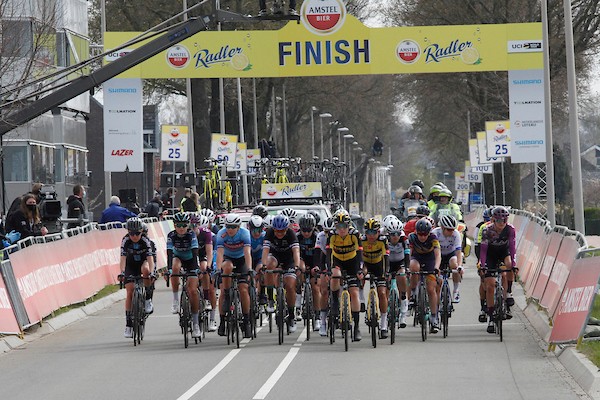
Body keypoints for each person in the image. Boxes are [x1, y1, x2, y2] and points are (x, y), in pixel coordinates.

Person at [479, 206, 517, 334]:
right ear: (493, 220)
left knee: (509, 265)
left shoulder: (510, 229)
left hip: (503, 252)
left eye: (504, 221)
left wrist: (514, 263)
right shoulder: (487, 230)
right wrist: (482, 265)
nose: (502, 224)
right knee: (490, 286)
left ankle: (508, 294)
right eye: (499, 221)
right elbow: (483, 250)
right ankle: (490, 316)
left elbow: (512, 247)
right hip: (490, 254)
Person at [326, 212, 363, 341]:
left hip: (352, 262)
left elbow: (359, 253)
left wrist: (359, 269)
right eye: (338, 226)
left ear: (349, 226)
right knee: (335, 275)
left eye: (344, 226)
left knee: (354, 292)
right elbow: (329, 252)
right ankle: (335, 303)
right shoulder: (332, 235)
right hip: (338, 262)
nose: (341, 229)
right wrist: (329, 268)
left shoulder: (355, 234)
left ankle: (357, 327)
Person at [262, 214, 301, 333]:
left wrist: (297, 266)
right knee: (269, 266)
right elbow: (265, 251)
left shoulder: (291, 234)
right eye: (277, 231)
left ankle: (291, 316)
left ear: (286, 229)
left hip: (289, 259)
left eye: (282, 231)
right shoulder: (269, 233)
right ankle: (270, 299)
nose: (279, 234)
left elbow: (296, 252)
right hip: (275, 257)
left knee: (289, 286)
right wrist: (263, 265)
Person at [216, 213, 253, 338]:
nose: (230, 230)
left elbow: (247, 253)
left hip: (241, 259)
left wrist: (249, 269)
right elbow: (220, 253)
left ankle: (247, 321)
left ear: (238, 227)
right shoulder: (221, 234)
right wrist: (217, 269)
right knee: (226, 269)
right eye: (228, 227)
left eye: (233, 227)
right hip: (228, 258)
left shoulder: (245, 233)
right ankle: (222, 320)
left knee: (243, 289)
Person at [167, 212, 202, 338]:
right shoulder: (171, 235)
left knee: (192, 290)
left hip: (191, 259)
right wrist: (169, 269)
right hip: (178, 258)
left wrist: (196, 269)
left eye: (184, 225)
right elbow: (169, 253)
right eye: (178, 225)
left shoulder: (191, 234)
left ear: (188, 225)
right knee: (175, 267)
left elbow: (195, 252)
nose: (181, 228)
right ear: (174, 225)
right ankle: (176, 300)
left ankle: (196, 323)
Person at [119, 217, 155, 338]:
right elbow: (122, 259)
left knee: (146, 270)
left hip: (142, 263)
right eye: (131, 233)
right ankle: (128, 324)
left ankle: (148, 299)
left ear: (141, 232)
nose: (134, 236)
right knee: (129, 291)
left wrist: (152, 272)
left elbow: (150, 259)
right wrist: (122, 272)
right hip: (130, 265)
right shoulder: (125, 240)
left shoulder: (145, 241)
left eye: (137, 233)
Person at [408, 218, 441, 333]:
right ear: (416, 232)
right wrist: (408, 268)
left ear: (429, 233)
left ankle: (434, 317)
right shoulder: (412, 237)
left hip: (430, 260)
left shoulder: (433, 238)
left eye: (425, 234)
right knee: (413, 267)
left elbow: (438, 255)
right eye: (420, 234)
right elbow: (409, 254)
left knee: (431, 289)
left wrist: (436, 267)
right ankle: (413, 292)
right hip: (416, 258)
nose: (422, 237)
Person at [361, 218, 390, 338]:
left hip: (379, 265)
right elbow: (358, 257)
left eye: (374, 233)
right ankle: (361, 298)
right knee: (361, 273)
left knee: (382, 293)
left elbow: (386, 258)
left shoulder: (383, 241)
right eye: (368, 233)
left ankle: (383, 323)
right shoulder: (361, 240)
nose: (371, 236)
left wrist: (386, 272)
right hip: (366, 264)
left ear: (379, 232)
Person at [191, 213, 217, 332]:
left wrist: (210, 267)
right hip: (191, 257)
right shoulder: (186, 234)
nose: (194, 229)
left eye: (196, 227)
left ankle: (212, 319)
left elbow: (211, 253)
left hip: (205, 256)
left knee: (211, 288)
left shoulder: (210, 235)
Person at [383, 217, 410, 328]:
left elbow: (407, 255)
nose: (395, 236)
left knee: (402, 276)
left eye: (397, 234)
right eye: (393, 234)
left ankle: (403, 307)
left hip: (400, 262)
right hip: (388, 263)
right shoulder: (384, 239)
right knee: (386, 287)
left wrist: (408, 268)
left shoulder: (404, 239)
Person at [431, 215, 463, 303]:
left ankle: (456, 290)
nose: (451, 232)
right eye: (449, 230)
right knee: (439, 281)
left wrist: (460, 266)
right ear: (442, 227)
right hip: (438, 255)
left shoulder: (456, 234)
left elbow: (458, 252)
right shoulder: (435, 233)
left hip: (450, 254)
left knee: (454, 265)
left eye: (453, 229)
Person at [296, 213, 320, 328]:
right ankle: (298, 302)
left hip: (314, 261)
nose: (306, 233)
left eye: (308, 230)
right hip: (302, 260)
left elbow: (319, 255)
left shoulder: (317, 237)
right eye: (303, 230)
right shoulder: (297, 237)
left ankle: (318, 316)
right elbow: (295, 254)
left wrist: (316, 267)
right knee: (299, 271)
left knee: (315, 288)